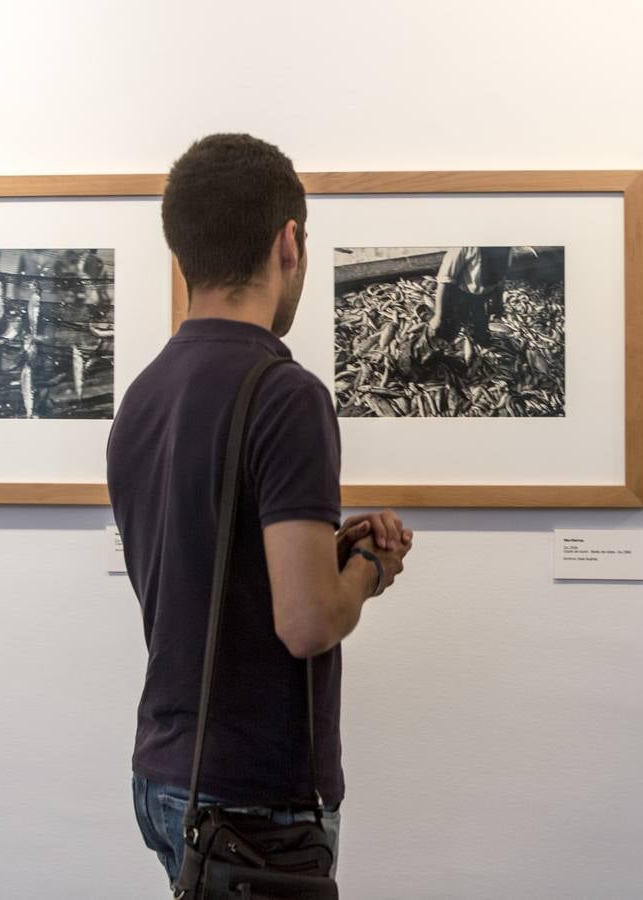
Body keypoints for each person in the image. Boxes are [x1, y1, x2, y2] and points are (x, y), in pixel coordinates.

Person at [106, 134, 413, 890]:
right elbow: (305, 623)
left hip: (167, 771)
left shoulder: (144, 396)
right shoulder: (285, 394)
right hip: (253, 799)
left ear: (182, 252)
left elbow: (211, 558)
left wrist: (324, 554)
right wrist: (371, 568)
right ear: (289, 243)